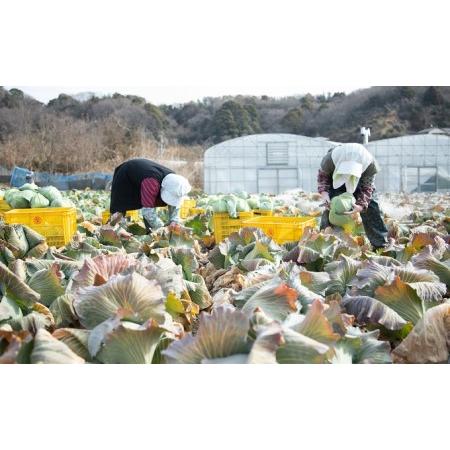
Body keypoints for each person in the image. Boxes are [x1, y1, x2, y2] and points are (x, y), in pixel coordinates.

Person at [317, 143, 388, 250]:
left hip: (360, 180)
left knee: (371, 207)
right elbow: (323, 179)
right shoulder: (329, 160)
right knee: (332, 207)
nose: (348, 176)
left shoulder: (369, 164)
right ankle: (326, 242)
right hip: (336, 178)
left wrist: (361, 206)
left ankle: (379, 244)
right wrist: (325, 195)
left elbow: (367, 188)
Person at [108, 158, 192, 231]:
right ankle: (115, 231)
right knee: (119, 209)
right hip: (125, 175)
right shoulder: (151, 183)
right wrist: (162, 229)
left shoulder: (174, 181)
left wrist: (174, 221)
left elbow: (175, 203)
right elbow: (148, 212)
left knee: (151, 205)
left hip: (142, 177)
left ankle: (150, 231)